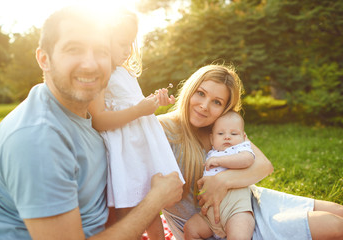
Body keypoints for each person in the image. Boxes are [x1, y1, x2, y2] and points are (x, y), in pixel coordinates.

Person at [0, 6, 183, 240]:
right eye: (73, 49)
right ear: (44, 59)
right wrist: (155, 200)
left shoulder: (81, 117)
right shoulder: (37, 141)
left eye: (101, 51)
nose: (90, 64)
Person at [157, 64, 343, 240]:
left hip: (249, 201)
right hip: (222, 225)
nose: (205, 106)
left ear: (225, 109)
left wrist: (222, 180)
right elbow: (139, 196)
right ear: (190, 89)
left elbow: (264, 166)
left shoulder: (219, 128)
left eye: (216, 102)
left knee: (338, 211)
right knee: (335, 226)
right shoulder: (163, 130)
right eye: (200, 93)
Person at [88, 8, 185, 240]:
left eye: (130, 43)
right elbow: (99, 119)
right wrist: (138, 110)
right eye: (122, 43)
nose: (127, 50)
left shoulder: (125, 72)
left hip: (141, 147)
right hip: (124, 150)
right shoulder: (101, 74)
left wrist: (152, 102)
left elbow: (130, 103)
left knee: (151, 201)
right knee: (127, 204)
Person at [184, 110, 255, 240]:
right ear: (212, 139)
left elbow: (247, 160)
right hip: (208, 216)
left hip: (236, 211)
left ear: (244, 137)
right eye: (221, 133)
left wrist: (219, 161)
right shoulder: (211, 153)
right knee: (190, 228)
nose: (227, 137)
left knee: (239, 235)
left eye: (234, 133)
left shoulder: (241, 149)